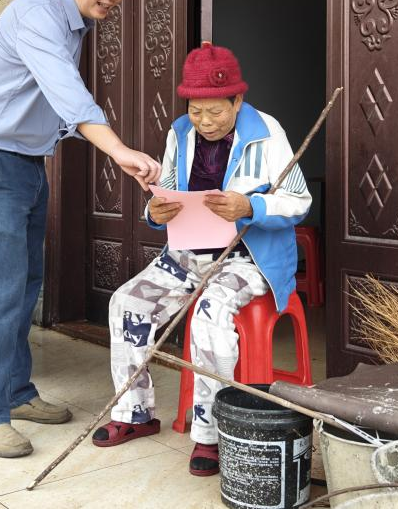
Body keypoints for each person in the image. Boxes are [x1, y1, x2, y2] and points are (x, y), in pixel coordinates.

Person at [0, 0, 162, 459]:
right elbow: (69, 95)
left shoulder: (75, 23)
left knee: (24, 286)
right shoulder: (38, 15)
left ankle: (16, 393)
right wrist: (119, 151)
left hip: (24, 163)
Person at [91, 43, 312, 476]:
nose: (205, 122)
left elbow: (299, 201)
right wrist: (154, 212)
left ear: (237, 100)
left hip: (248, 259)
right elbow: (169, 192)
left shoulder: (268, 132)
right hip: (188, 253)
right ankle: (135, 413)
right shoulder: (179, 133)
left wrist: (250, 207)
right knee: (127, 303)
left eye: (215, 111)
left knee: (210, 315)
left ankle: (210, 434)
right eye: (196, 111)